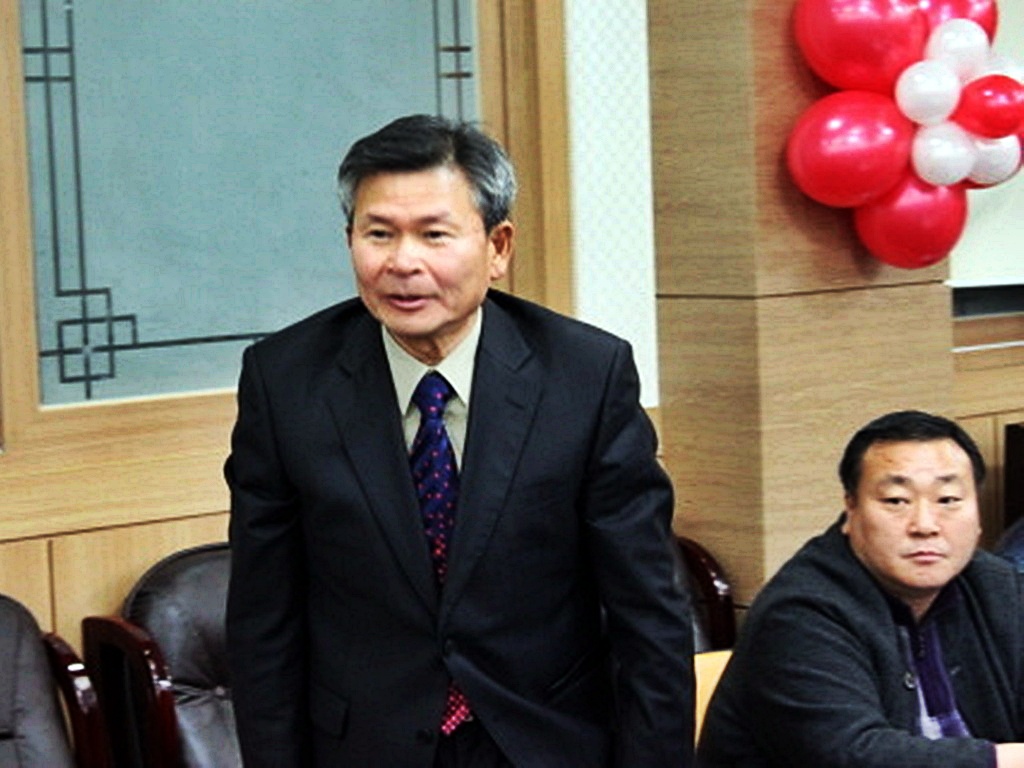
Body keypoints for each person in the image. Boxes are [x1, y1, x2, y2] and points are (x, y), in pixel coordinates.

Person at [225, 113, 695, 767]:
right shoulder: (286, 383)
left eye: (434, 234)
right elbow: (263, 620)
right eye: (378, 233)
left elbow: (649, 614)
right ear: (350, 240)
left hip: (546, 741)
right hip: (365, 746)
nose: (402, 262)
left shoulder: (585, 378)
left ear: (498, 247)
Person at [697, 409, 1024, 767]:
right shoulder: (798, 614)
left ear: (977, 513)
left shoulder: (999, 587)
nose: (925, 525)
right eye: (896, 501)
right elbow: (853, 754)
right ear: (850, 509)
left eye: (947, 500)